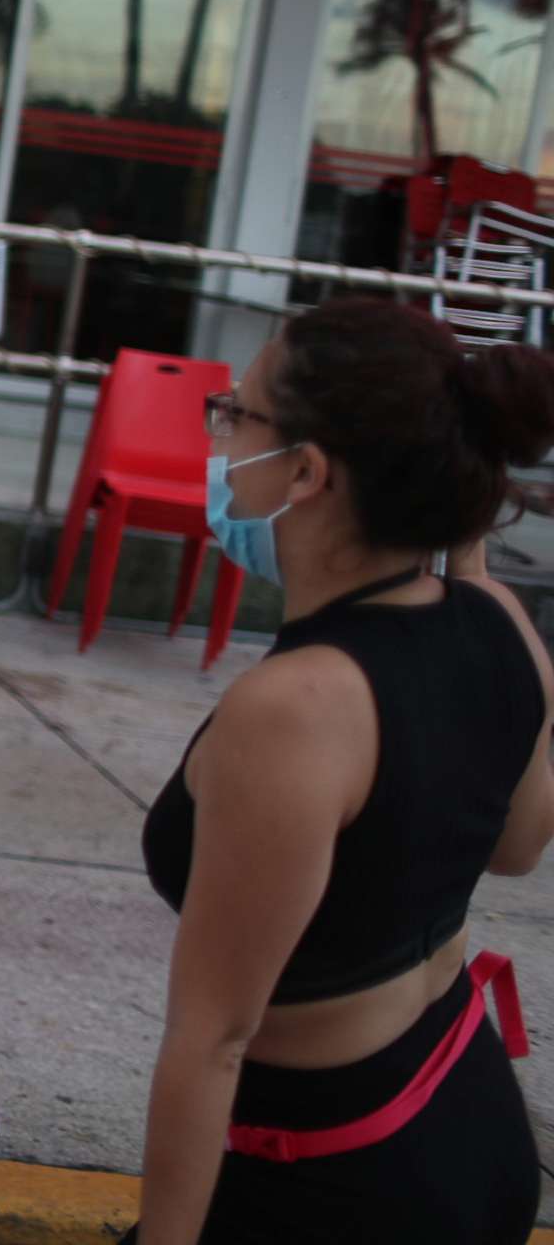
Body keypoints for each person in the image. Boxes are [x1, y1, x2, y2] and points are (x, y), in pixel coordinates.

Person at [127, 298, 554, 1245]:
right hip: (469, 1116)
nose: (222, 429)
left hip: (334, 1180)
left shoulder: (294, 710)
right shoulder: (501, 626)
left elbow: (212, 1042)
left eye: (239, 413)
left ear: (309, 471)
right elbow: (519, 846)